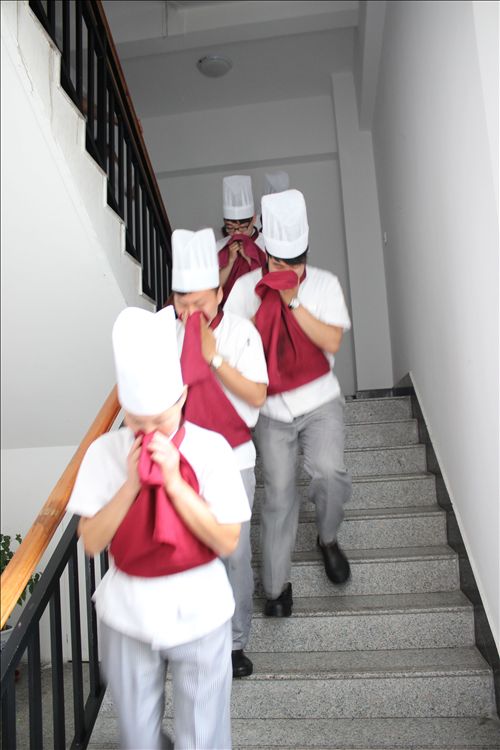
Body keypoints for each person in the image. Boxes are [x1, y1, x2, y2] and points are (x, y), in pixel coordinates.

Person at [67, 305, 251, 750]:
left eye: (160, 420)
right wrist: (131, 484)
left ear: (182, 396)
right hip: (127, 611)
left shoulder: (212, 450)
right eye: (137, 421)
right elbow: (91, 541)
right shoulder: (103, 453)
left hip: (201, 607)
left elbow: (227, 539)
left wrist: (174, 483)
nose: (149, 432)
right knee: (137, 737)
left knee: (203, 737)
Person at [225, 189, 352, 618]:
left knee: (329, 473)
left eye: (298, 262)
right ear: (267, 256)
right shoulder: (245, 290)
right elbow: (232, 345)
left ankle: (327, 538)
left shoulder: (325, 284)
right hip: (272, 410)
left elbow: (331, 340)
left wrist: (292, 299)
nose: (291, 270)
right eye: (281, 264)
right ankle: (276, 588)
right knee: (278, 496)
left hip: (320, 400)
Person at [171, 227, 268, 678]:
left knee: (233, 555)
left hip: (233, 459)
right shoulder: (165, 334)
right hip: (182, 461)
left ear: (218, 293)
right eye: (183, 303)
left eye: (200, 302)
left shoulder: (241, 332)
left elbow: (257, 395)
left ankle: (234, 643)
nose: (191, 312)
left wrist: (213, 358)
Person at [217, 175, 267, 305]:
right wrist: (229, 262)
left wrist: (251, 260)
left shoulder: (267, 245)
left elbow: (271, 283)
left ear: (254, 219)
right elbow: (211, 290)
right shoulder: (219, 247)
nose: (237, 233)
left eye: (243, 228)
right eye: (231, 228)